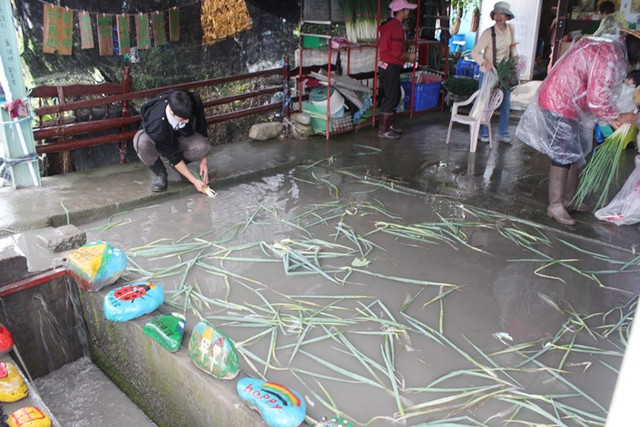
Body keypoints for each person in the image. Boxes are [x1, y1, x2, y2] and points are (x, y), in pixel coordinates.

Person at [515, 25, 640, 226]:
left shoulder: (610, 47)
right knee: (563, 154)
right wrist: (618, 116)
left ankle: (569, 199)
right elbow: (598, 98)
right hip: (561, 103)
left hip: (571, 103)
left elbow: (598, 94)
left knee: (577, 152)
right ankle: (555, 204)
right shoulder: (611, 54)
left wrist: (612, 118)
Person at [134, 90, 210, 193]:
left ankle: (178, 166)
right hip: (155, 137)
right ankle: (160, 173)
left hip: (180, 134)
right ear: (171, 112)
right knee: (142, 143)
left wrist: (203, 161)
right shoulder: (156, 122)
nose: (187, 121)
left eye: (188, 118)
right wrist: (194, 181)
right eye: (183, 119)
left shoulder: (191, 101)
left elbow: (201, 126)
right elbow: (171, 154)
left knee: (203, 147)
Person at [471, 1, 518, 144]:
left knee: (505, 103)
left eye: (502, 14)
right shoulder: (488, 33)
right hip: (488, 72)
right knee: (485, 103)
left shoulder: (510, 29)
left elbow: (512, 47)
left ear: (507, 16)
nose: (499, 17)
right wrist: (484, 63)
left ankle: (503, 132)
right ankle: (482, 131)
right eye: (496, 13)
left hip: (504, 72)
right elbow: (475, 53)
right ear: (493, 16)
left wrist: (516, 61)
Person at [377, 0, 417, 140]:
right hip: (391, 66)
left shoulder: (387, 25)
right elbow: (396, 53)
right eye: (407, 9)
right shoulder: (397, 28)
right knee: (392, 97)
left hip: (384, 65)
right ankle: (384, 130)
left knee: (391, 95)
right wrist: (409, 56)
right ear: (401, 11)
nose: (408, 12)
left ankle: (389, 126)